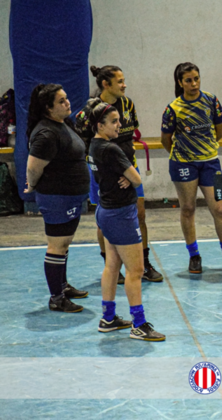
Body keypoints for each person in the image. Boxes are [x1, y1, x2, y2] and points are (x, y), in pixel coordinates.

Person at [85, 98, 165, 341]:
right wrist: (130, 176)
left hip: (106, 211)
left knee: (112, 266)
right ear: (100, 125)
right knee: (136, 270)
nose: (119, 125)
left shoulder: (94, 146)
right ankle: (138, 325)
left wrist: (126, 177)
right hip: (120, 214)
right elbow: (137, 178)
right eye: (114, 121)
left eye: (119, 120)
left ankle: (108, 318)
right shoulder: (111, 149)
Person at [76, 65, 163, 284]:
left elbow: (129, 135)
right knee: (104, 220)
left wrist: (127, 170)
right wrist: (111, 170)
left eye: (124, 80)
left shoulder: (128, 104)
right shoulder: (91, 109)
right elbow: (84, 140)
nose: (124, 85)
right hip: (104, 172)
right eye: (120, 81)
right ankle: (112, 266)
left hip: (128, 166)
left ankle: (144, 262)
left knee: (139, 213)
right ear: (106, 84)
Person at [161, 62, 222, 274]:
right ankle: (194, 255)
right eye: (188, 80)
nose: (194, 83)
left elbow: (220, 131)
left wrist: (205, 149)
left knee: (220, 207)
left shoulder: (211, 101)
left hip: (211, 164)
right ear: (180, 83)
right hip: (183, 164)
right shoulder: (173, 109)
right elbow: (166, 140)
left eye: (196, 78)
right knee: (188, 208)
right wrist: (185, 154)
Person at [26, 83, 89, 312]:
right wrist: (32, 185)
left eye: (66, 98)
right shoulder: (46, 133)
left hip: (70, 197)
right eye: (61, 101)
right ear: (48, 108)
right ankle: (56, 298)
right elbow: (33, 168)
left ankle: (62, 285)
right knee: (57, 245)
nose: (67, 103)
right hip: (56, 197)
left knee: (65, 243)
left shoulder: (63, 124)